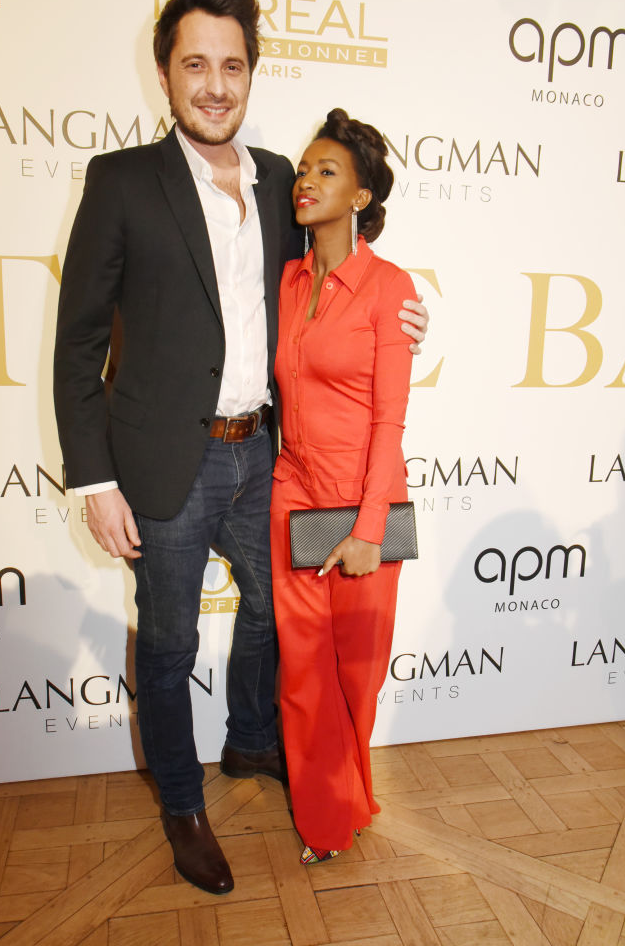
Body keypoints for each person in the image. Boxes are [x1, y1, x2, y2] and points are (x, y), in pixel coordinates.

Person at [53, 0, 429, 895]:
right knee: (173, 642)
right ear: (164, 74)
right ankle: (182, 803)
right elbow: (78, 342)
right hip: (161, 461)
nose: (214, 85)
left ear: (251, 74)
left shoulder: (277, 180)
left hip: (268, 453)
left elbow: (338, 286)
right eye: (194, 65)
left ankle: (254, 742)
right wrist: (92, 480)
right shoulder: (120, 181)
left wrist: (405, 317)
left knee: (272, 617)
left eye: (231, 66)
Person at [270, 108, 415, 863]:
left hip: (364, 504)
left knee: (355, 675)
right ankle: (326, 822)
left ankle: (353, 791)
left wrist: (368, 528)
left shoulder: (390, 289)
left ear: (360, 198)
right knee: (302, 671)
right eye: (302, 168)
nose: (306, 180)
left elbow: (390, 422)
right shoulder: (290, 281)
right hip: (291, 496)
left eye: (327, 171)